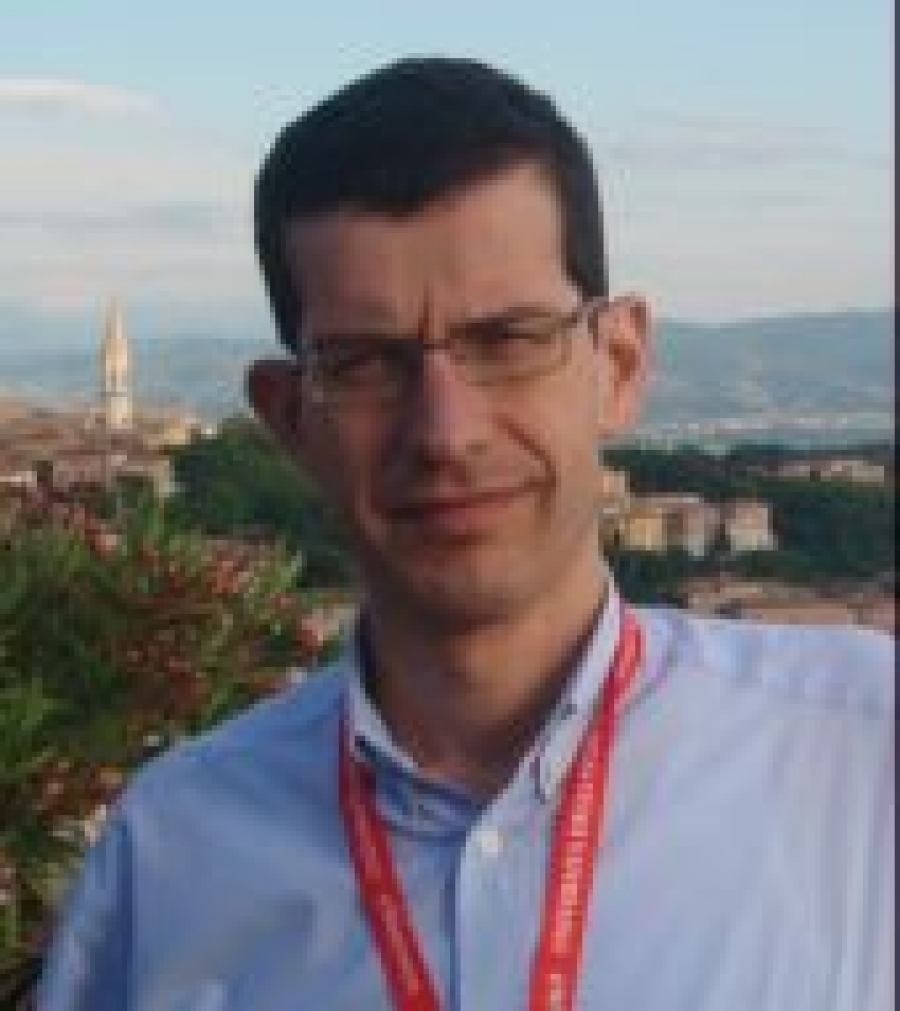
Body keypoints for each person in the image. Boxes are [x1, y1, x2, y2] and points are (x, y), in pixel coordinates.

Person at [39, 57, 893, 1010]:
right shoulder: (167, 857)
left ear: (618, 362)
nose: (447, 431)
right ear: (288, 418)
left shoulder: (866, 758)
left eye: (509, 341)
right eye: (367, 363)